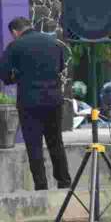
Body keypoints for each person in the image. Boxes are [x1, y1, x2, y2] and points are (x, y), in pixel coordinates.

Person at [0, 17, 71, 190]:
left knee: (34, 145)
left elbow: (4, 75)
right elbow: (61, 67)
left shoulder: (15, 46)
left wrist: (17, 77)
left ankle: (41, 186)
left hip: (29, 103)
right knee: (56, 143)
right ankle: (64, 182)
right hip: (53, 101)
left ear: (15, 32)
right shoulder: (54, 43)